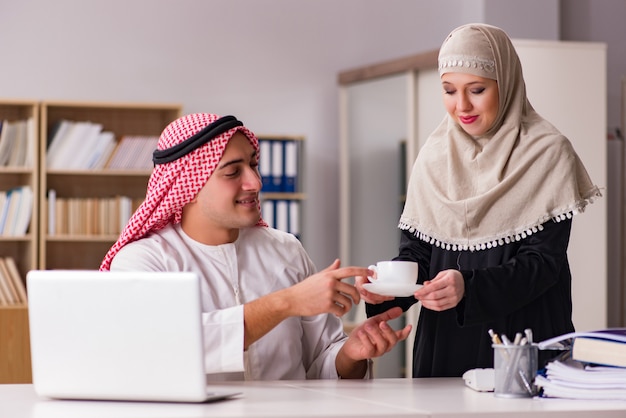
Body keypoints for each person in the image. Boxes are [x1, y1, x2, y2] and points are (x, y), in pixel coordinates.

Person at [356, 23, 602, 377]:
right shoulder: (434, 155)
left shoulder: (548, 151)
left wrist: (468, 288)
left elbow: (542, 264)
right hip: (445, 347)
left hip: (523, 347)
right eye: (449, 91)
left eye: (477, 90)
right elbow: (419, 256)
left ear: (506, 81)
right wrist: (386, 291)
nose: (462, 106)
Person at [100, 112, 411, 381]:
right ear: (189, 188)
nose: (255, 182)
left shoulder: (287, 250)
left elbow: (321, 367)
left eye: (253, 165)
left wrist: (352, 355)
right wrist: (285, 303)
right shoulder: (142, 262)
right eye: (233, 172)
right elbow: (166, 346)